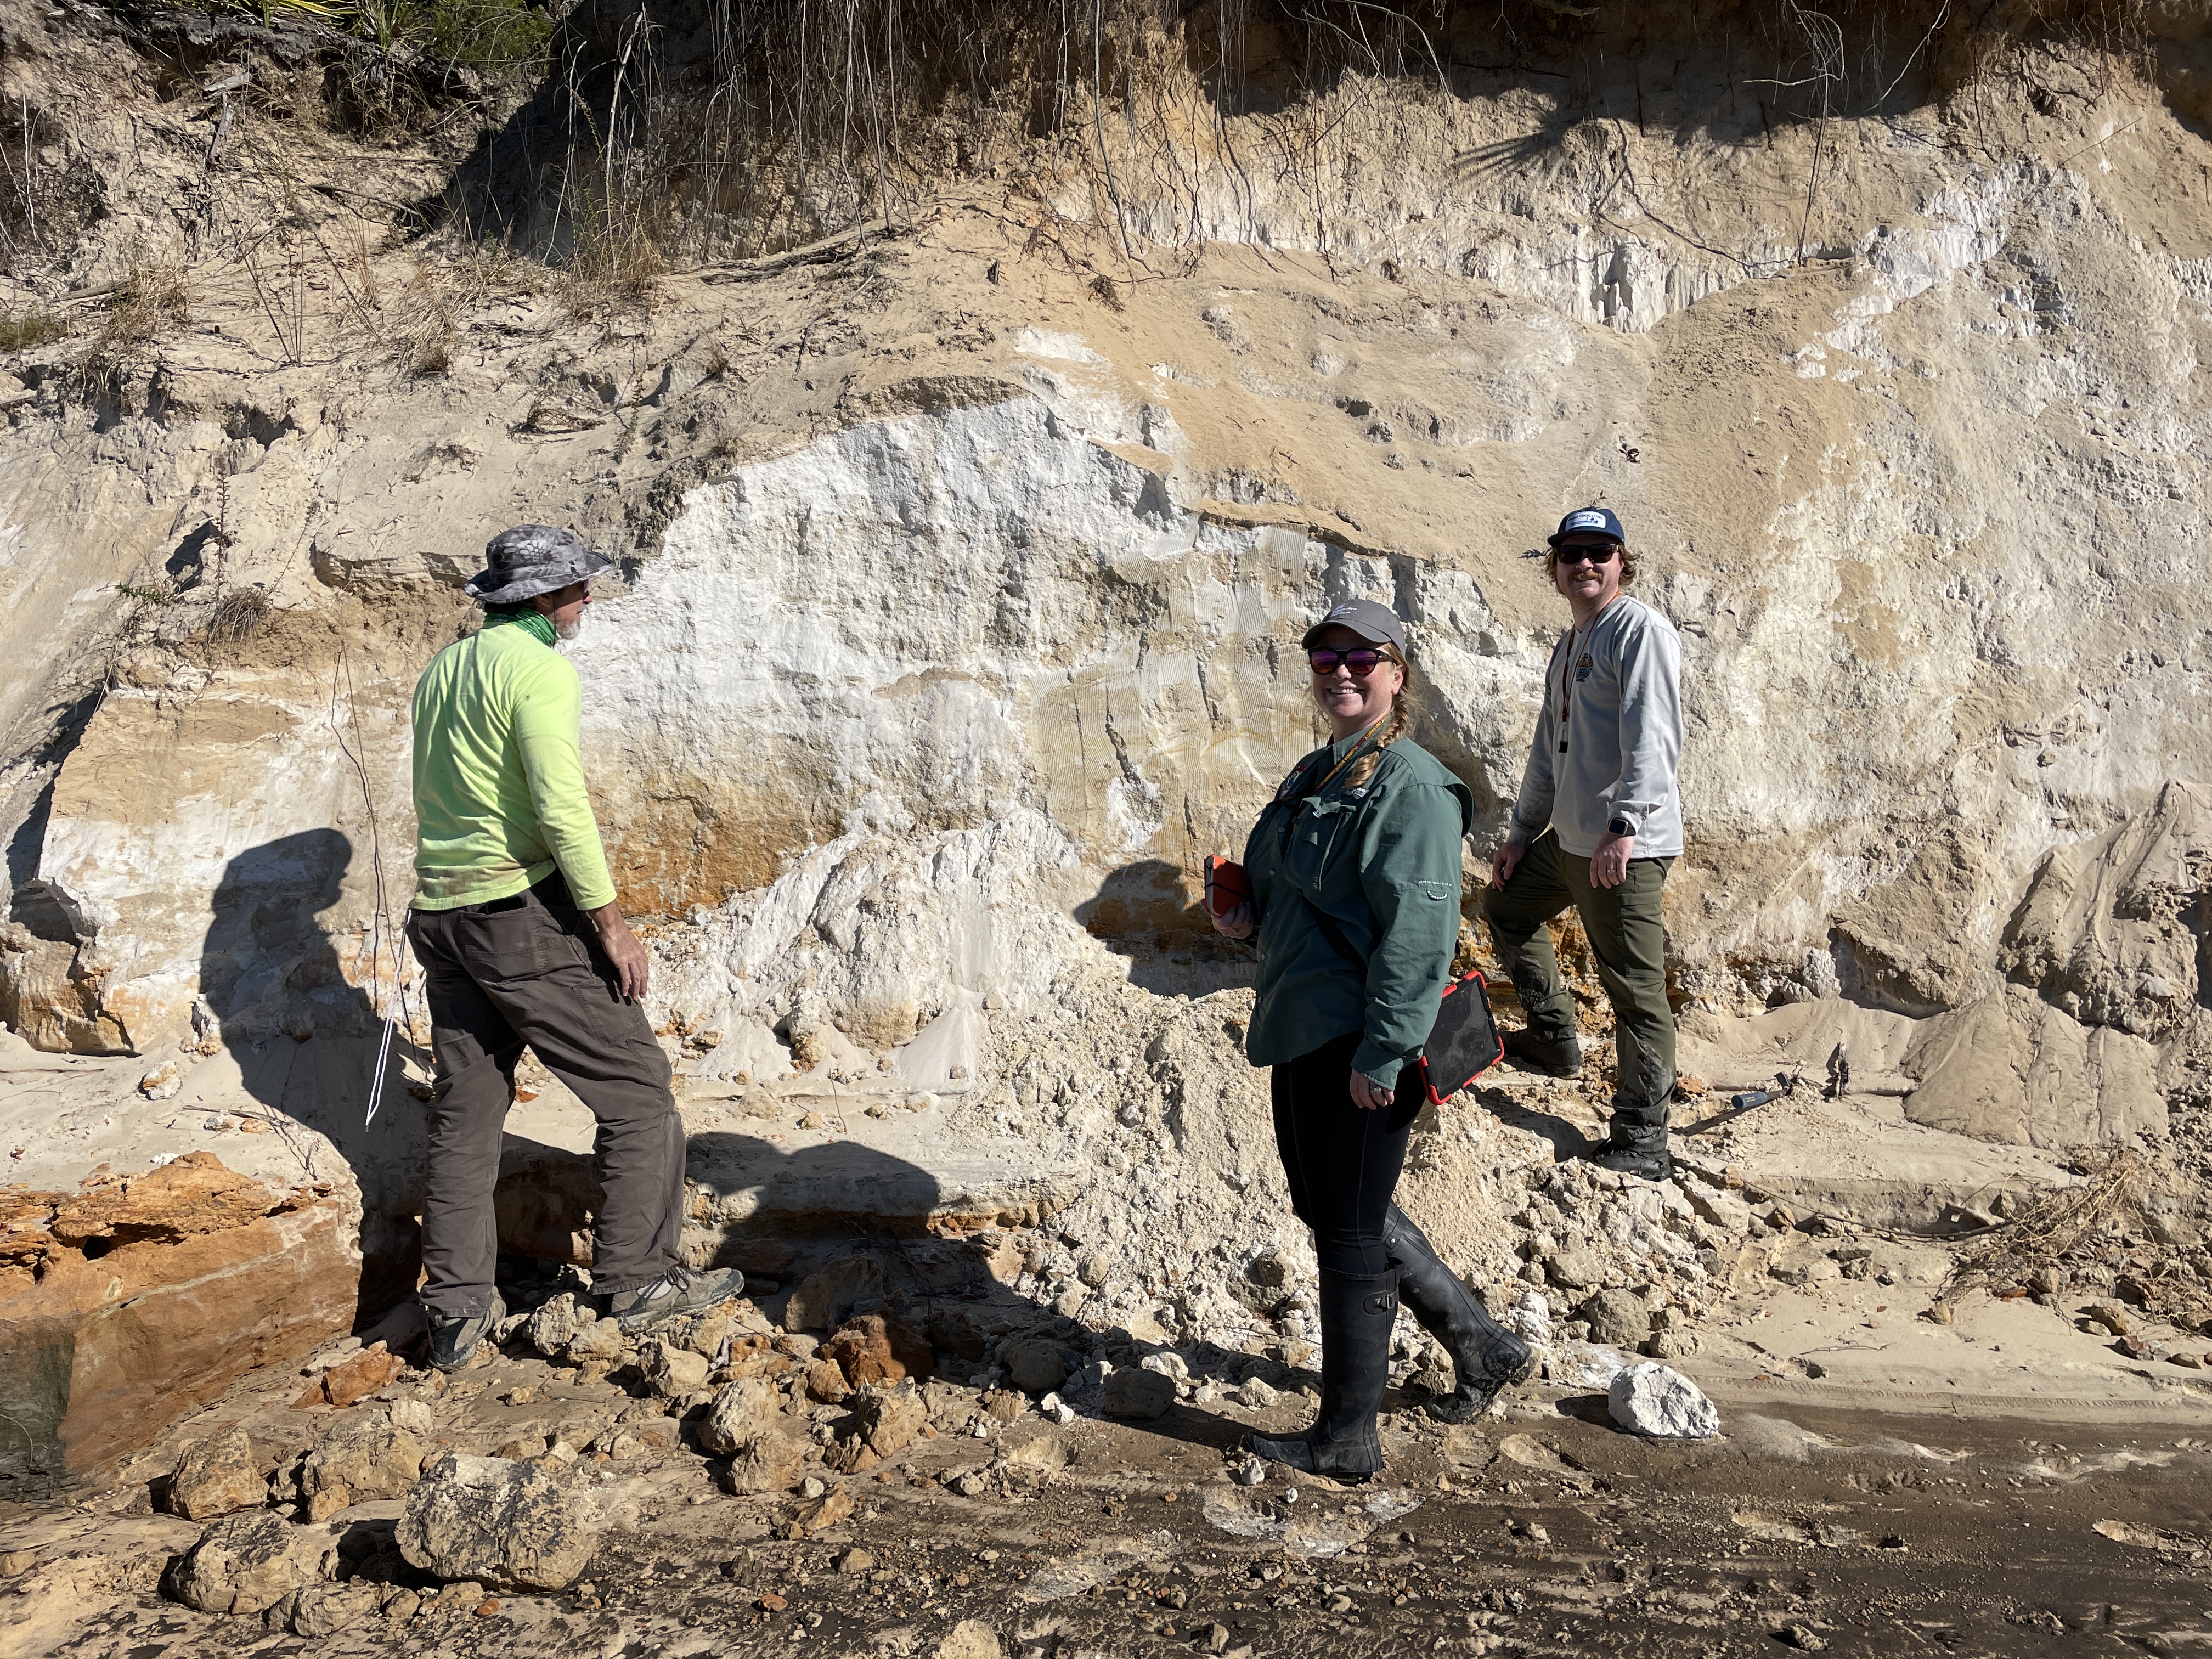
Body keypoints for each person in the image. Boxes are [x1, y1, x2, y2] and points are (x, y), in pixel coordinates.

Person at [405, 526, 742, 1370]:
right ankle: (635, 1282)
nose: (588, 601)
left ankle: (454, 1309)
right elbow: (561, 807)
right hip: (517, 913)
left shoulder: (444, 669)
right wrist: (612, 924)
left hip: (442, 911)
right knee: (635, 1090)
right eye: (579, 590)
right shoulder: (541, 670)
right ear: (545, 600)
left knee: (467, 1112)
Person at [1212, 598, 1532, 1479]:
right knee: (1334, 1211)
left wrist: (1385, 1051)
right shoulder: (1319, 772)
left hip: (1359, 1041)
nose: (1341, 673)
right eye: (1327, 660)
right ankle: (1482, 1345)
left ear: (1398, 674)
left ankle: (1348, 1436)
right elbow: (1305, 896)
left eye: (1363, 659)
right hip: (1300, 1027)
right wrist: (1243, 914)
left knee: (1349, 1234)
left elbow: (1419, 932)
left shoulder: (1413, 786)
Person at [1486, 506, 1684, 1182]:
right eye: (1572, 553)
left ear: (1622, 561)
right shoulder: (1571, 643)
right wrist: (1520, 836)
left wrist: (1624, 827)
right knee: (1507, 906)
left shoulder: (1640, 631)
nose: (1586, 564)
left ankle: (1643, 1137)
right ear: (1557, 567)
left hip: (1620, 849)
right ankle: (1552, 1035)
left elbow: (1654, 738)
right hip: (1569, 844)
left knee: (1634, 991)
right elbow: (1548, 749)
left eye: (1600, 551)